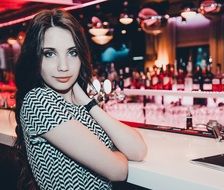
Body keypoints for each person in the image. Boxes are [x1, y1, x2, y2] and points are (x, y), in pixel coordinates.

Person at [14, 9, 147, 190]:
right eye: (49, 54)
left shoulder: (78, 102)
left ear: (81, 56)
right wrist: (113, 152)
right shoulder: (39, 101)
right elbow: (118, 170)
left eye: (72, 52)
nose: (64, 66)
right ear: (35, 57)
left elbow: (138, 150)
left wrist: (89, 103)